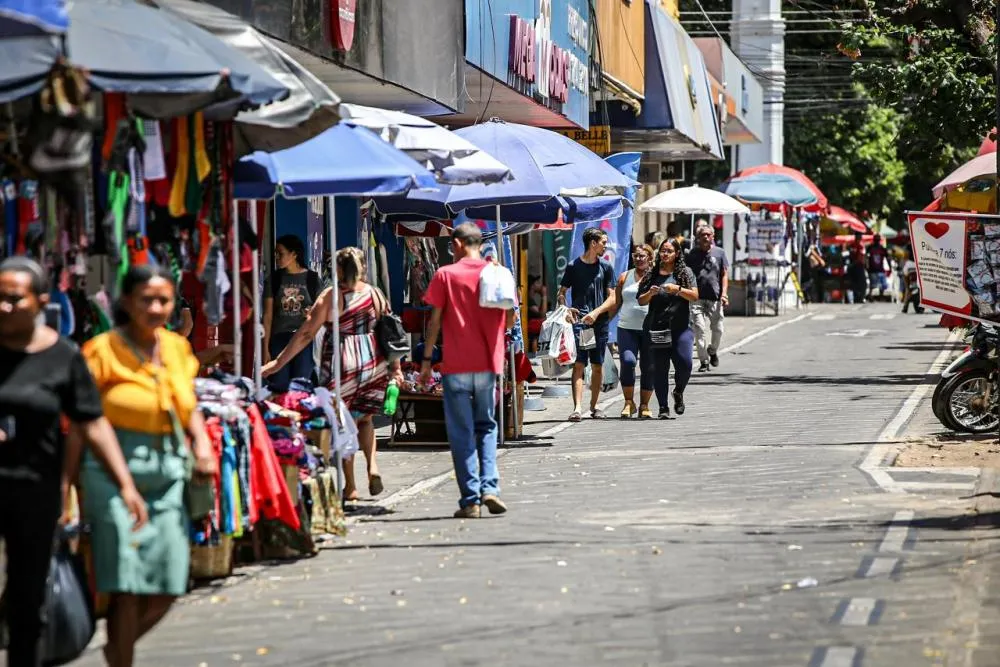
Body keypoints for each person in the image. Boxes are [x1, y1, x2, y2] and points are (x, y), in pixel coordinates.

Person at [0, 257, 146, 667]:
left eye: (14, 299)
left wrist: (126, 484)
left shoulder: (62, 356)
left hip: (35, 491)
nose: (4, 307)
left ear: (41, 301)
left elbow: (92, 422)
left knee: (27, 597)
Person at [79, 264, 213, 667]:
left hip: (167, 468)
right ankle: (123, 657)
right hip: (111, 468)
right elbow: (84, 418)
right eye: (146, 300)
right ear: (126, 302)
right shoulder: (101, 350)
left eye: (164, 300)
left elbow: (186, 404)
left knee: (170, 581)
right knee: (126, 583)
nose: (155, 307)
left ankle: (117, 648)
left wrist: (203, 443)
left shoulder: (176, 347)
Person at [263, 247, 402, 500]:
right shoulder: (375, 294)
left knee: (343, 422)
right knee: (366, 419)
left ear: (337, 268)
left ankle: (350, 486)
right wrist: (396, 369)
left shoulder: (331, 296)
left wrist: (277, 363)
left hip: (342, 361)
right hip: (373, 361)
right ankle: (372, 467)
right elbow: (391, 331)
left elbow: (305, 334)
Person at [420, 223, 515, 519]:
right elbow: (510, 320)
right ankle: (491, 489)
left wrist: (426, 361)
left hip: (457, 364)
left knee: (461, 432)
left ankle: (471, 501)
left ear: (459, 244)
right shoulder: (496, 272)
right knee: (486, 427)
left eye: (451, 245)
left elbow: (434, 322)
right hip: (488, 363)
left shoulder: (445, 275)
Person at [558, 227, 616, 421]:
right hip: (582, 325)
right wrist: (566, 309)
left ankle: (594, 405)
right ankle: (577, 408)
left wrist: (597, 312)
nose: (605, 247)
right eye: (603, 243)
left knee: (598, 365)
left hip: (599, 324)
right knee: (580, 364)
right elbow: (561, 293)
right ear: (593, 243)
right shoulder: (574, 267)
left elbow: (613, 298)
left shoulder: (606, 268)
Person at [637, 238, 699, 419]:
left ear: (677, 253)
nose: (664, 254)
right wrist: (651, 293)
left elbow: (694, 296)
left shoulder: (685, 273)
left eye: (669, 251)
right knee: (660, 368)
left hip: (680, 328)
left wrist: (677, 289)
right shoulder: (652, 273)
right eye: (662, 250)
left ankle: (678, 391)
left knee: (685, 363)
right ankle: (663, 407)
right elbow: (641, 300)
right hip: (657, 328)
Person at [263, 235, 322, 391]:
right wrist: (265, 348)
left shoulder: (312, 279)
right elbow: (267, 316)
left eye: (280, 253)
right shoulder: (274, 279)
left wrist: (312, 313)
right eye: (275, 253)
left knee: (301, 386)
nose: (276, 257)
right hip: (279, 339)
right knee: (279, 386)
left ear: (294, 254)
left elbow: (323, 313)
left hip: (304, 340)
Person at [614, 244, 653, 418]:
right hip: (626, 328)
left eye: (642, 256)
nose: (638, 258)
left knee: (649, 367)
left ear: (650, 258)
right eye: (635, 255)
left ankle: (645, 405)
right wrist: (601, 320)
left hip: (650, 329)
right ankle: (629, 402)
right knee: (628, 362)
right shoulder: (624, 277)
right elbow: (615, 303)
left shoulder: (657, 277)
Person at [686, 225, 729, 373]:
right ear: (697, 238)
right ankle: (704, 361)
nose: (705, 237)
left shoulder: (720, 253)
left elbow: (724, 274)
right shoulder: (692, 254)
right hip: (696, 298)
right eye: (702, 235)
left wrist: (724, 294)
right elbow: (686, 275)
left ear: (713, 236)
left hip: (715, 298)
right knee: (699, 330)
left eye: (708, 234)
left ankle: (712, 350)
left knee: (718, 329)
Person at [526, 274, 547, 352]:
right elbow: (542, 314)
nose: (540, 285)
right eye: (537, 283)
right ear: (532, 286)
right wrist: (544, 295)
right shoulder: (528, 299)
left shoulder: (531, 299)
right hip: (530, 327)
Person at [867, 234, 890, 300]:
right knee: (873, 285)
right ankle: (871, 296)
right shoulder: (870, 247)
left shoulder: (882, 248)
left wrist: (890, 267)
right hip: (873, 269)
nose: (877, 241)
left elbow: (887, 258)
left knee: (882, 285)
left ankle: (880, 296)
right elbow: (866, 258)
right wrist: (867, 266)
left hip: (879, 269)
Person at [847, 232, 867, 304]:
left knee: (854, 283)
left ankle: (856, 297)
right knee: (862, 284)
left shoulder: (851, 245)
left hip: (852, 266)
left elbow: (849, 255)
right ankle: (860, 298)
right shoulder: (860, 245)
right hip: (858, 266)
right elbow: (861, 257)